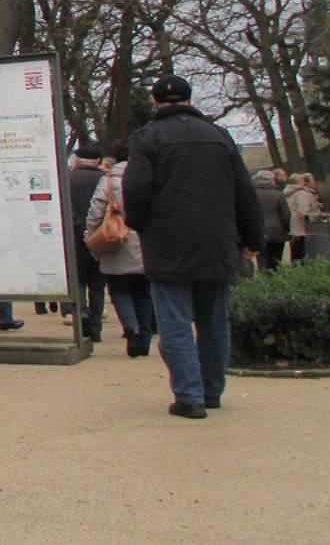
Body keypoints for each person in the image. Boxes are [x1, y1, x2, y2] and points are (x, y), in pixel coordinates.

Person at [123, 74, 263, 420]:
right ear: (190, 98)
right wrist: (251, 238)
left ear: (156, 102)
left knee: (174, 321)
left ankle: (189, 395)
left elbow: (137, 190)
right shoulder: (220, 136)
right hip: (217, 241)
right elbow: (244, 193)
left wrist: (140, 224)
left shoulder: (146, 138)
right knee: (215, 320)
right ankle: (212, 389)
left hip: (168, 241)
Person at [86, 140, 155, 357]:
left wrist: (90, 236)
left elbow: (95, 212)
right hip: (145, 240)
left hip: (117, 239)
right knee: (144, 292)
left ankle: (130, 327)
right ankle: (144, 338)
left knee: (119, 289)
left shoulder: (107, 181)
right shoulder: (149, 177)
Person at [67, 143, 107, 340]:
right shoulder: (105, 179)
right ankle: (96, 325)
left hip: (75, 235)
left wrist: (78, 225)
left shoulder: (68, 178)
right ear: (98, 160)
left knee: (79, 279)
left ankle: (81, 312)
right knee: (98, 285)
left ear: (78, 158)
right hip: (101, 236)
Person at [253, 168, 292, 273]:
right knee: (276, 260)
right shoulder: (278, 194)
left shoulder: (252, 194)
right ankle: (275, 281)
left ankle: (264, 281)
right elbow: (285, 215)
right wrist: (287, 229)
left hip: (259, 231)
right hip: (277, 232)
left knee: (262, 259)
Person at [286, 172, 321, 262]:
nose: (304, 182)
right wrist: (315, 214)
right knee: (301, 252)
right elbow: (303, 210)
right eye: (302, 180)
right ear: (299, 181)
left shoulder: (288, 192)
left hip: (292, 225)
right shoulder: (301, 193)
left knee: (295, 252)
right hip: (300, 226)